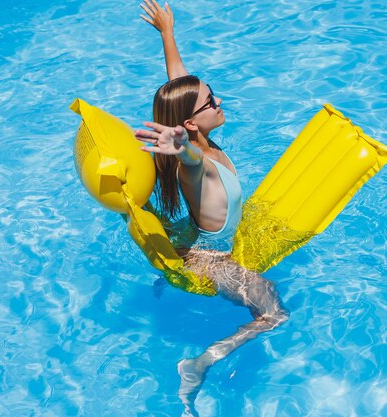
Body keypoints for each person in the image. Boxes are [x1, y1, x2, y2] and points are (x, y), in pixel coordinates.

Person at [135, 1, 288, 415]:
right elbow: (190, 161)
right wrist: (182, 151)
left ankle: (165, 280)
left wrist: (167, 32)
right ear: (188, 125)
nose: (218, 102)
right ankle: (198, 364)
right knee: (274, 312)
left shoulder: (198, 134)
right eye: (209, 101)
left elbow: (178, 83)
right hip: (210, 260)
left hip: (196, 232)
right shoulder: (194, 163)